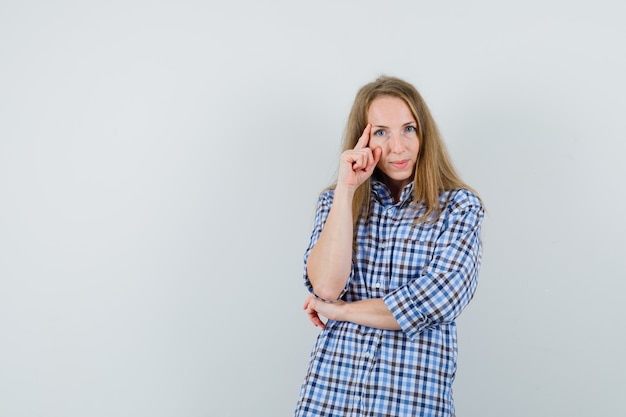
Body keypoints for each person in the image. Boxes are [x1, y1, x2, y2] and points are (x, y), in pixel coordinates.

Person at [293, 76, 485, 417]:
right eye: (381, 132)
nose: (398, 146)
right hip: (329, 399)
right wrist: (346, 190)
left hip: (410, 404)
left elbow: (438, 300)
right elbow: (325, 286)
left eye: (408, 128)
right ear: (362, 139)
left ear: (424, 133)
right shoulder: (336, 204)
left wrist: (343, 311)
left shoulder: (459, 207)